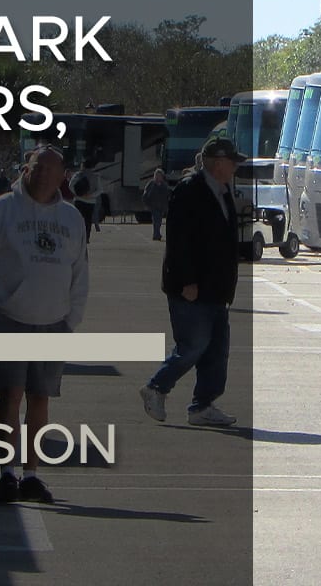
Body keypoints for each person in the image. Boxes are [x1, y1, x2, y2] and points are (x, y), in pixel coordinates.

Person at [0, 144, 89, 504]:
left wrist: (71, 321)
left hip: (53, 323)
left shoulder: (71, 218)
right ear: (25, 169)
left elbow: (80, 273)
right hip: (11, 320)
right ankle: (7, 474)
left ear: (63, 176)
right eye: (39, 169)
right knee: (10, 397)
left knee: (41, 400)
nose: (45, 176)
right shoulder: (0, 211)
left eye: (53, 171)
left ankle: (32, 474)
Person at [140, 137, 244, 427]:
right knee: (193, 345)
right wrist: (187, 280)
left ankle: (202, 406)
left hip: (217, 287)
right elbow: (179, 239)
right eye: (232, 161)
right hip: (192, 287)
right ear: (217, 163)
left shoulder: (222, 191)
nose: (236, 166)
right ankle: (156, 387)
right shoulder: (190, 189)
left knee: (216, 350)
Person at [71, 160, 100, 240]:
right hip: (90, 201)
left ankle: (77, 236)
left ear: (83, 166)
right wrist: (90, 195)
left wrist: (78, 194)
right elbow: (100, 190)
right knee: (88, 220)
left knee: (77, 219)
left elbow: (70, 185)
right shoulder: (95, 176)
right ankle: (86, 237)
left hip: (79, 200)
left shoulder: (78, 174)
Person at [144, 168, 171, 241]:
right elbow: (146, 194)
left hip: (161, 206)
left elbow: (167, 194)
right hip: (153, 205)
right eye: (157, 175)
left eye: (160, 176)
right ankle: (156, 235)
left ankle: (157, 234)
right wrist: (147, 203)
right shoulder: (151, 184)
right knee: (156, 220)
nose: (158, 177)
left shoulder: (164, 185)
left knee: (159, 221)